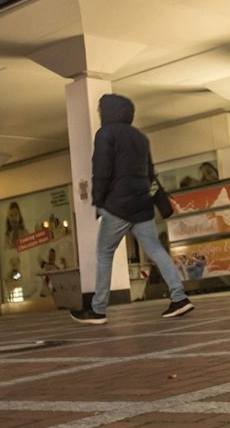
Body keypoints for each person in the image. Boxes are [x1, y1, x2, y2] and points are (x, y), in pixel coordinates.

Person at [69, 93, 194, 325]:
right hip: (142, 204)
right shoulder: (140, 137)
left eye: (100, 109)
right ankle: (180, 297)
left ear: (108, 111)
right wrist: (158, 201)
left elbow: (102, 170)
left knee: (104, 254)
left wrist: (98, 200)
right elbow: (150, 172)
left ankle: (98, 310)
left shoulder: (106, 134)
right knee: (156, 250)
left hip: (118, 206)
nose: (99, 113)